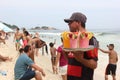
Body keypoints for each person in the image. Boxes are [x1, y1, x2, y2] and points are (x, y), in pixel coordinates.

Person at [63, 12, 99, 80]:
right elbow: (71, 60)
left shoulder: (91, 39)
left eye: (70, 22)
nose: (68, 24)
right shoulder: (72, 38)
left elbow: (94, 65)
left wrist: (81, 59)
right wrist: (65, 52)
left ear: (78, 23)